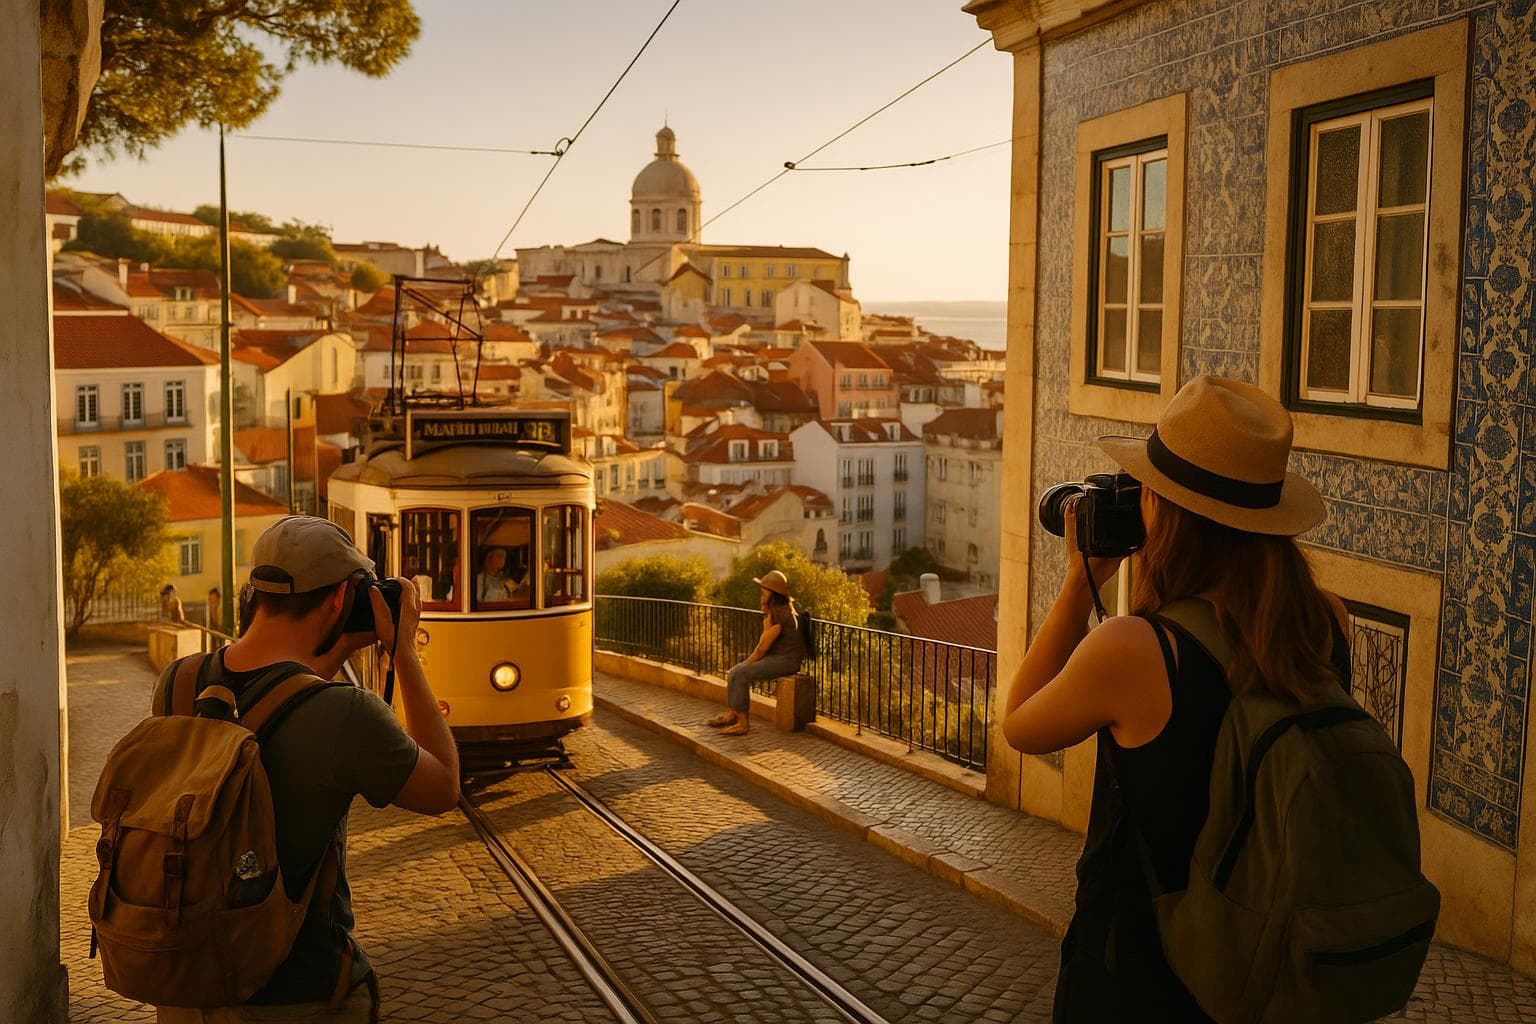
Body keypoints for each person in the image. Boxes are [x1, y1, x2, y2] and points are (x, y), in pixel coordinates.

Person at [1002, 376, 1353, 1023]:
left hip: (1142, 976)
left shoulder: (1137, 651)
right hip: (1269, 965)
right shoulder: (1326, 621)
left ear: (1163, 509)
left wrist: (1080, 585)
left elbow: (1020, 723)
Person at [150, 516, 460, 1023]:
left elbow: (275, 693)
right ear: (340, 599)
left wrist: (333, 647)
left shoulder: (178, 683)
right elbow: (444, 785)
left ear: (258, 594)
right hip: (301, 997)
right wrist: (402, 650)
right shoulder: (346, 713)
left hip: (188, 992)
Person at [707, 569, 806, 737]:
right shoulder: (778, 611)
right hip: (780, 657)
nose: (761, 593)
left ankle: (743, 724)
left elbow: (762, 648)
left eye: (764, 590)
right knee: (734, 672)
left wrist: (746, 663)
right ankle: (733, 714)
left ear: (772, 593)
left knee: (741, 673)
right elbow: (764, 642)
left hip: (785, 661)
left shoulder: (779, 615)